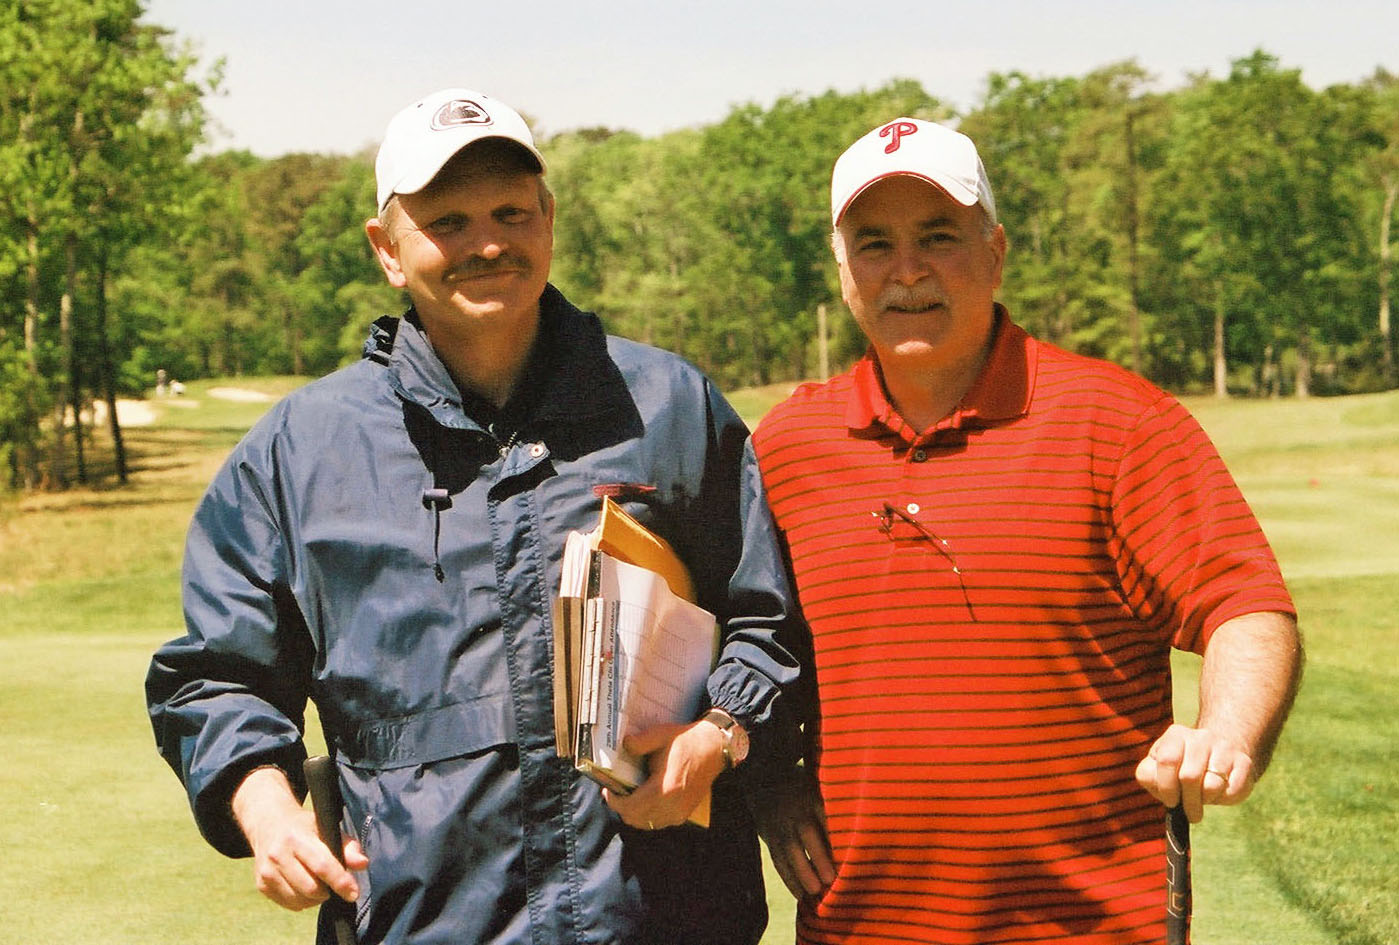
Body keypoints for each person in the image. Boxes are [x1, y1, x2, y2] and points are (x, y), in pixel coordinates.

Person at [146, 87, 802, 945]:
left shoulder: (669, 407)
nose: (487, 242)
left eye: (509, 211)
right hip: (421, 923)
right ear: (387, 250)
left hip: (664, 915)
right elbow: (216, 674)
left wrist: (718, 736)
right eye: (447, 221)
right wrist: (266, 808)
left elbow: (767, 623)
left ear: (548, 220)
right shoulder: (298, 452)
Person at [749, 118, 1303, 944]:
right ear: (840, 271)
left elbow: (1243, 605)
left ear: (995, 251)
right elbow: (743, 645)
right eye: (874, 243)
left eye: (938, 236)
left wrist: (1228, 733)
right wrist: (771, 777)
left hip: (1090, 924)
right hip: (861, 924)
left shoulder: (1117, 422)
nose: (907, 271)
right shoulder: (786, 447)